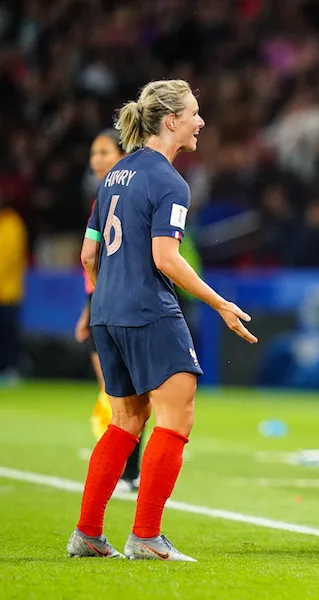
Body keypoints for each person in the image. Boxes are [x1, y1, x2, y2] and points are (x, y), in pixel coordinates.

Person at [67, 79, 257, 562]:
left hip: (107, 312)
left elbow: (88, 254)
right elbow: (166, 258)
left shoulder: (114, 175)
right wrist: (220, 303)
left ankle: (88, 534)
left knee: (125, 420)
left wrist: (106, 298)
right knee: (177, 416)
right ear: (171, 121)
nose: (201, 121)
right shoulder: (171, 182)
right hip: (148, 309)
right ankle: (146, 536)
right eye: (194, 113)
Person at [74, 130, 143, 492]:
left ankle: (126, 471)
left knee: (120, 391)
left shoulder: (114, 197)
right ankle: (124, 468)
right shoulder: (109, 196)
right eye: (93, 153)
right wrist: (87, 309)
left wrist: (98, 300)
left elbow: (91, 257)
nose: (95, 160)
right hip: (107, 298)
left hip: (111, 297)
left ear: (122, 155)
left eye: (103, 152)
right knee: (119, 390)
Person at [0, 191, 27, 385]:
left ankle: (10, 369)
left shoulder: (12, 223)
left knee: (8, 334)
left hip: (9, 292)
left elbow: (9, 259)